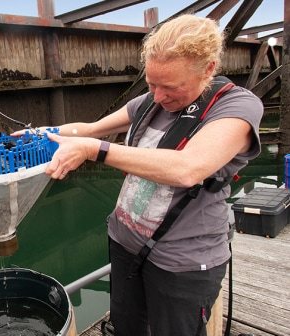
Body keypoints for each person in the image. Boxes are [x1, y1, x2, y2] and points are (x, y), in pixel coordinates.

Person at [15, 15, 263, 336]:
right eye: (151, 84)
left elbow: (188, 168)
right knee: (127, 326)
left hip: (182, 261)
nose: (158, 97)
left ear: (209, 69)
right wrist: (39, 134)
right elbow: (89, 129)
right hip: (125, 243)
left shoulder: (237, 107)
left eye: (171, 87)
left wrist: (95, 150)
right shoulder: (150, 101)